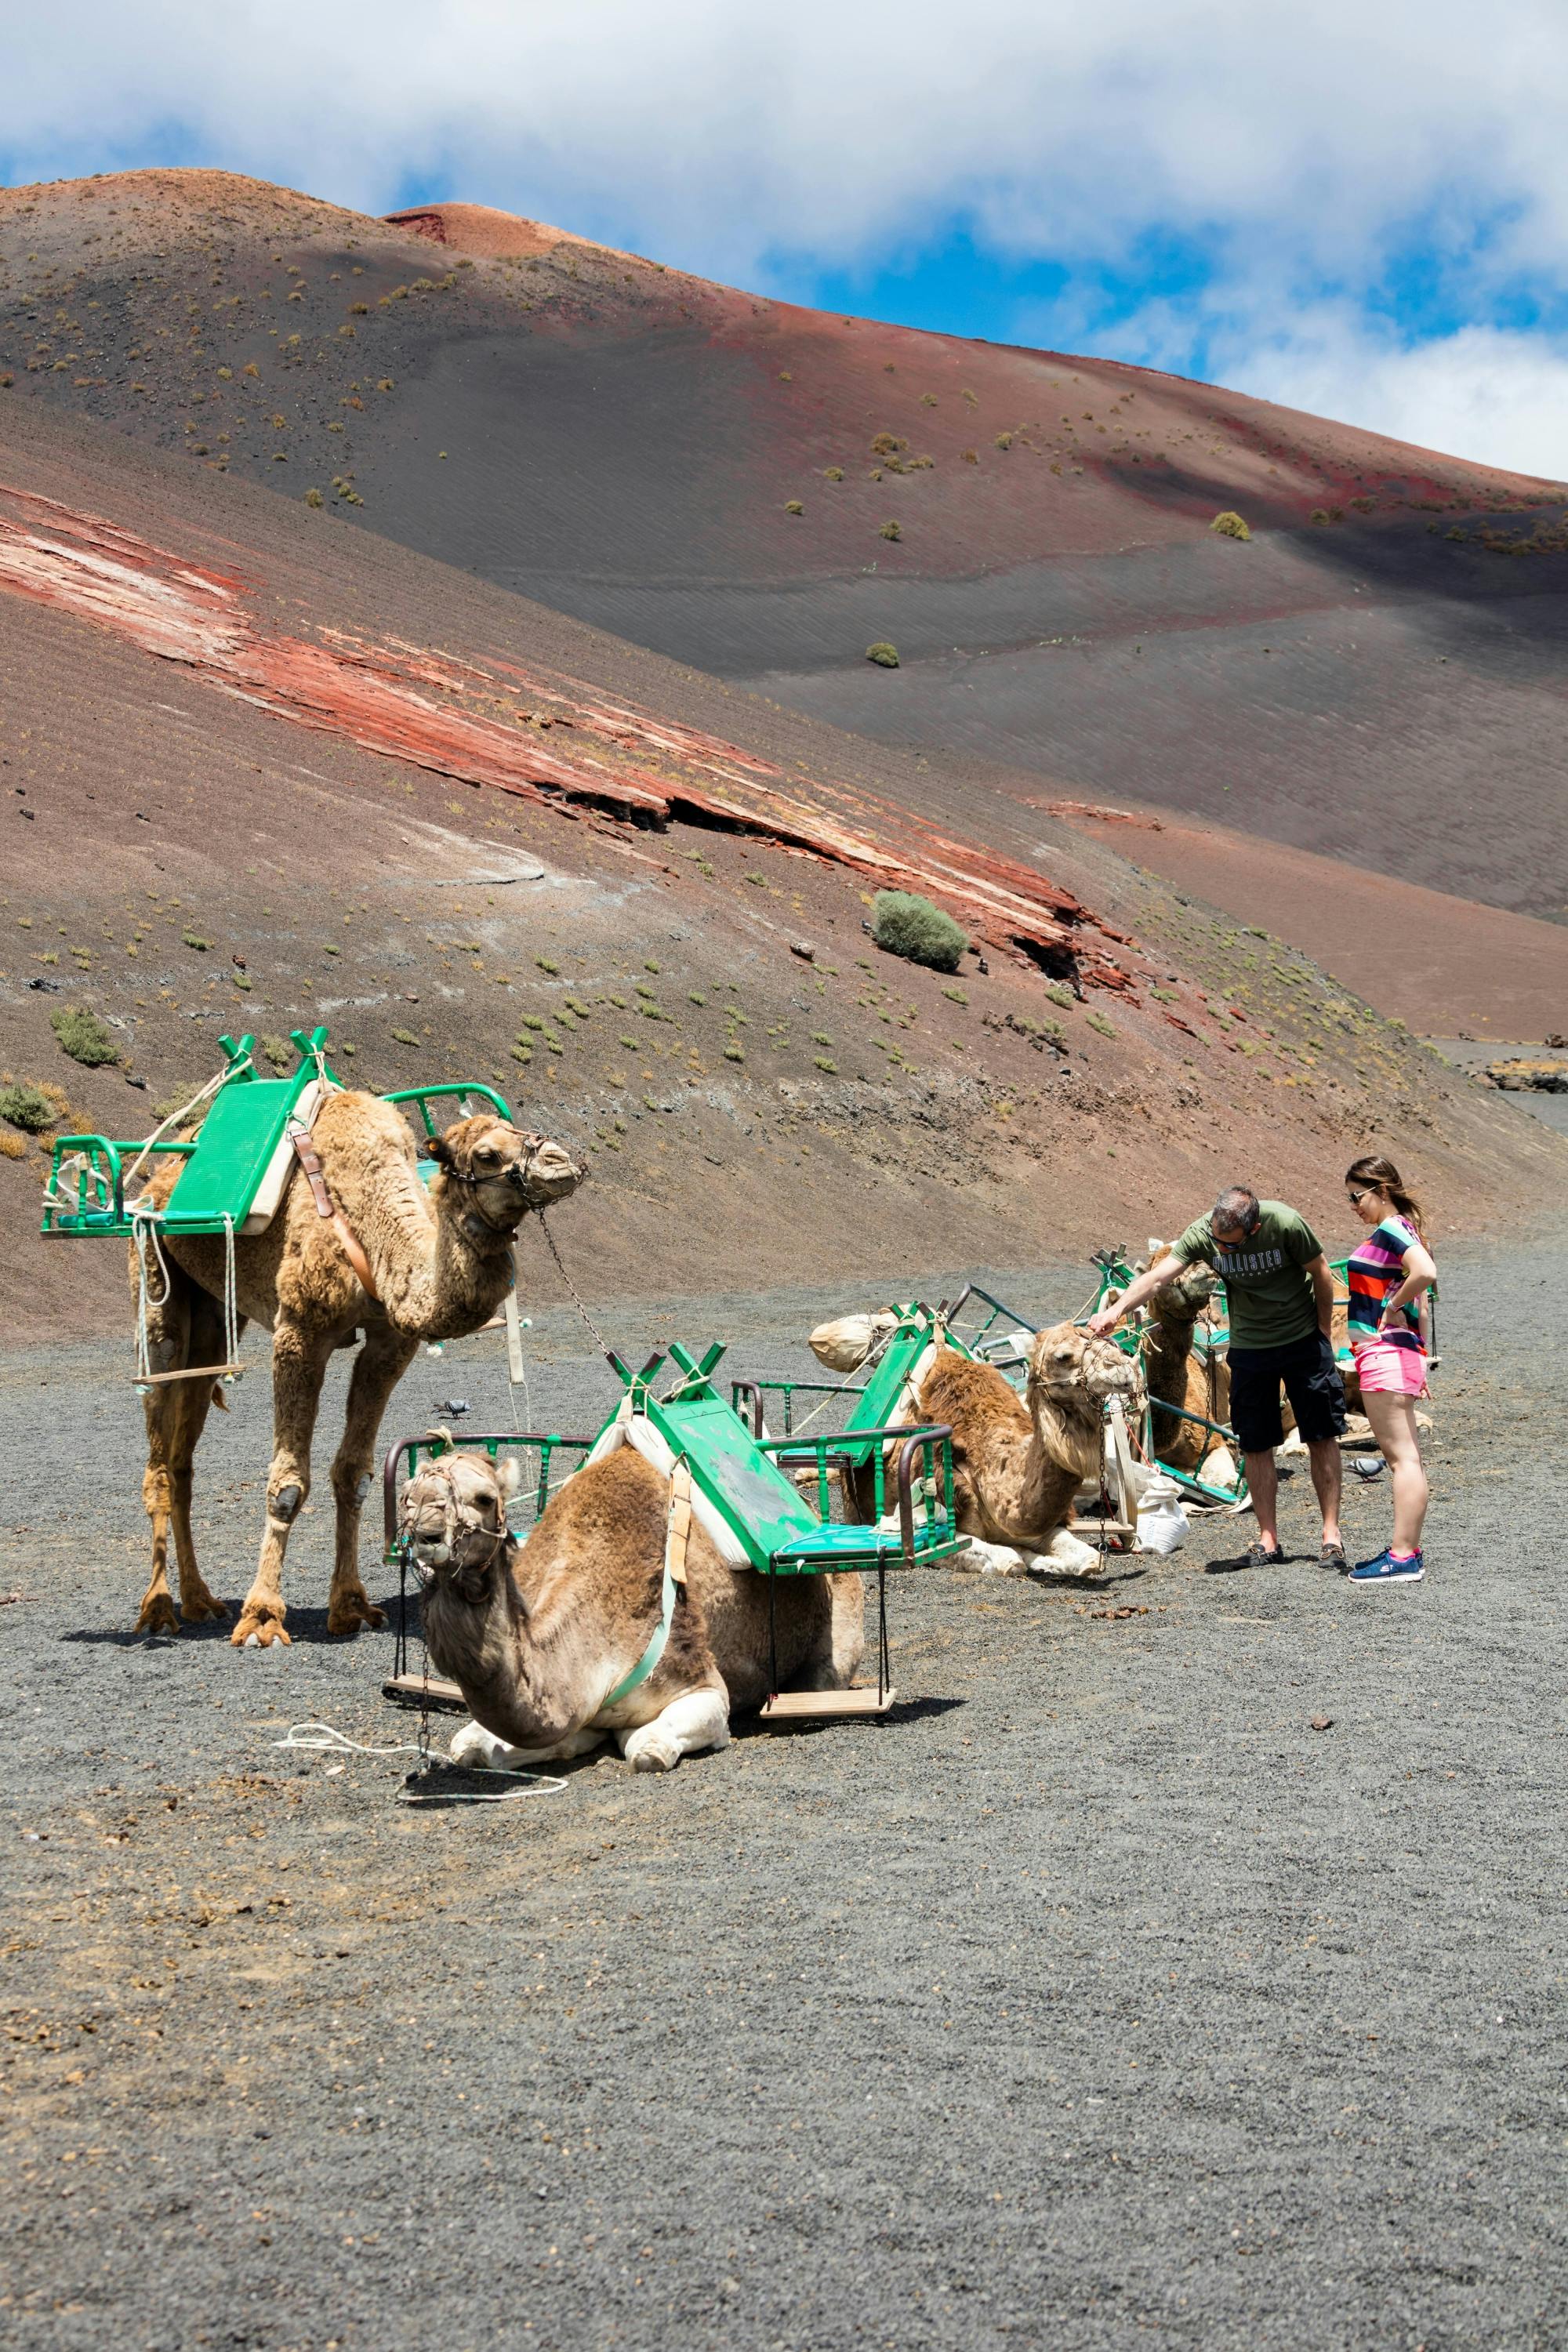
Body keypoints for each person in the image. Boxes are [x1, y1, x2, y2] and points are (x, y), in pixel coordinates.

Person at [1087, 1185, 1345, 1569]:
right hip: (1251, 1347)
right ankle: (1268, 1540)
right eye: (1218, 1243)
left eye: (1231, 1246)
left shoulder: (1286, 1224)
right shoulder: (1204, 1233)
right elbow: (1158, 1279)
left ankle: (1331, 1537)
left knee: (1321, 1436)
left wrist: (1323, 1335)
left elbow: (1322, 1275)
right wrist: (1118, 1310)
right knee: (1256, 1444)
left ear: (1254, 1227)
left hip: (1301, 1340)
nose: (1222, 1252)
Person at [1342, 1156, 1437, 1585]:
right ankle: (1407, 1551)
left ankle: (1401, 1558)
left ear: (1381, 1190)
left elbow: (1425, 1276)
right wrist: (1419, 1352)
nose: (1353, 1205)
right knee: (1407, 1458)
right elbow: (1422, 1296)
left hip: (1385, 1353)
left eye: (1357, 1196)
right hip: (1399, 1354)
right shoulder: (1406, 1229)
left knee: (1401, 1460)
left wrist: (1391, 1308)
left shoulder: (1392, 1229)